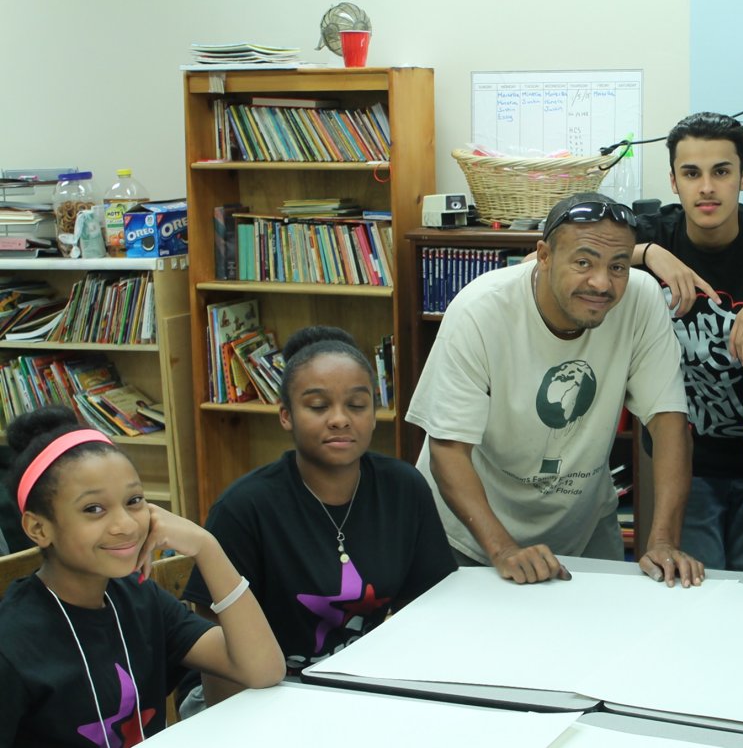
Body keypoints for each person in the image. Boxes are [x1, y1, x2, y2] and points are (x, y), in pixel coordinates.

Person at [406, 193, 702, 587]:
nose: (602, 283)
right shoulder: (480, 309)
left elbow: (668, 424)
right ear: (543, 256)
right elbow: (448, 449)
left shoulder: (641, 299)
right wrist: (504, 550)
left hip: (582, 524)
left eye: (618, 266)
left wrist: (663, 541)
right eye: (583, 262)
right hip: (470, 533)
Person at [185, 326, 455, 704]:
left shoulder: (403, 488)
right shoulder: (244, 509)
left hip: (359, 691)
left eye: (357, 405)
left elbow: (431, 610)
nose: (340, 419)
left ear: (374, 414)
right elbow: (216, 652)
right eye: (318, 406)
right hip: (258, 696)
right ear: (285, 416)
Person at [0, 406, 283, 746]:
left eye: (133, 501)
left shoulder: (139, 597)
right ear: (38, 528)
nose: (125, 525)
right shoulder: (12, 644)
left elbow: (263, 669)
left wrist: (207, 548)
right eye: (94, 509)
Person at [630, 112, 743, 572]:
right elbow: (559, 251)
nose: (707, 188)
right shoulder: (656, 233)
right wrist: (648, 254)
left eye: (722, 172)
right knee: (691, 591)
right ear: (673, 181)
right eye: (691, 174)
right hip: (685, 467)